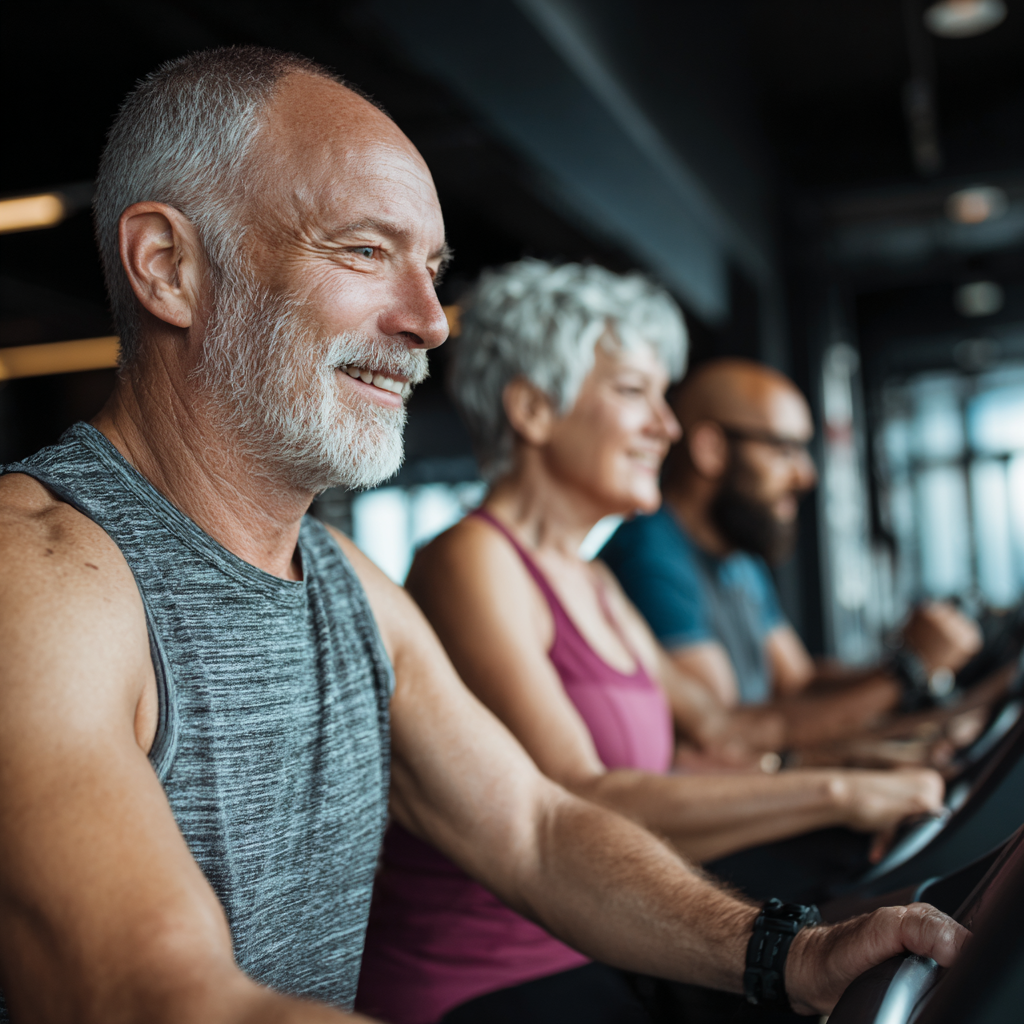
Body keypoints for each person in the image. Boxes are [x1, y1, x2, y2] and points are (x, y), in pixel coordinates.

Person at [0, 48, 964, 1024]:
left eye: (430, 272)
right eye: (365, 251)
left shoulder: (341, 581)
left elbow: (534, 828)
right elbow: (163, 996)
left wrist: (788, 954)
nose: (427, 322)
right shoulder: (38, 576)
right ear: (171, 267)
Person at [355, 260, 947, 1023]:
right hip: (486, 979)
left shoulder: (594, 581)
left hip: (609, 941)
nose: (667, 427)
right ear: (533, 410)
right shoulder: (471, 560)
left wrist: (885, 758)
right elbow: (579, 794)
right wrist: (842, 793)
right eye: (635, 393)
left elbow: (727, 730)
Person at [601, 359, 983, 730]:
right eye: (784, 450)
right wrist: (909, 674)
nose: (806, 475)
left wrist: (911, 658)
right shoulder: (649, 556)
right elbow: (729, 731)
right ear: (711, 449)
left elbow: (797, 683)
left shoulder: (738, 554)